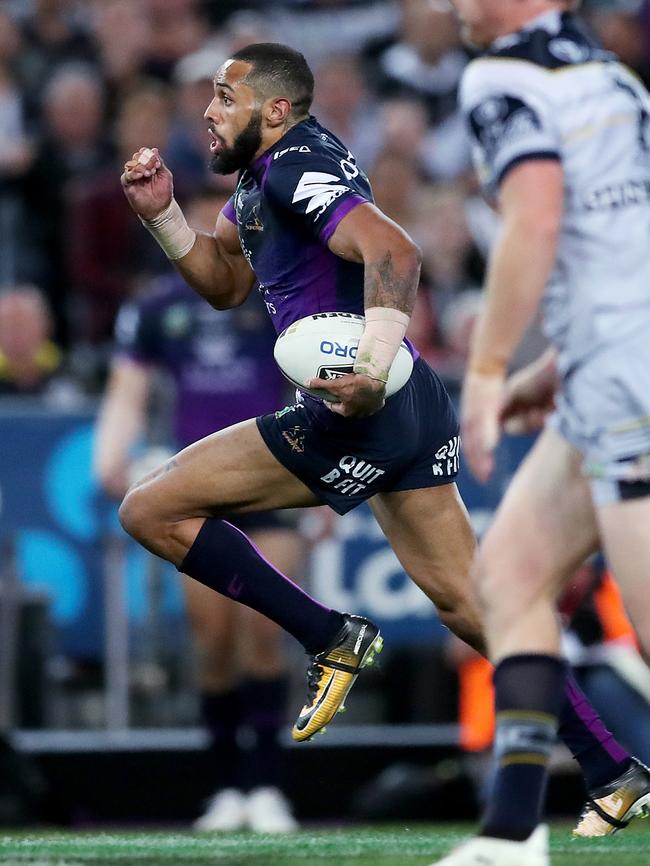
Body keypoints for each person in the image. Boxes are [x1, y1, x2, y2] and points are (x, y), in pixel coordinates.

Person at [118, 43, 646, 832]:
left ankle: (330, 635)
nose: (206, 111)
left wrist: (367, 368)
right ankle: (612, 770)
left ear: (275, 110)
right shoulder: (265, 177)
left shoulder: (295, 165)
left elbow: (396, 249)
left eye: (224, 98)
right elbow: (225, 282)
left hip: (358, 404)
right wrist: (163, 218)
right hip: (406, 401)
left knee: (150, 509)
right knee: (473, 603)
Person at [431, 0, 650, 862]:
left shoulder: (505, 74)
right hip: (607, 366)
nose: (452, 5)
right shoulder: (612, 77)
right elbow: (625, 250)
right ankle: (514, 833)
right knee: (509, 574)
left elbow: (538, 217)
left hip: (624, 379)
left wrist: (484, 374)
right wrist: (550, 373)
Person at [94, 189, 301, 833]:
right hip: (197, 487)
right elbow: (128, 391)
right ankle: (226, 788)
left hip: (271, 478)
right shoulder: (157, 307)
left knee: (265, 632)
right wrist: (112, 455)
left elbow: (309, 378)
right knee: (212, 641)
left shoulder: (276, 296)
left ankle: (268, 786)